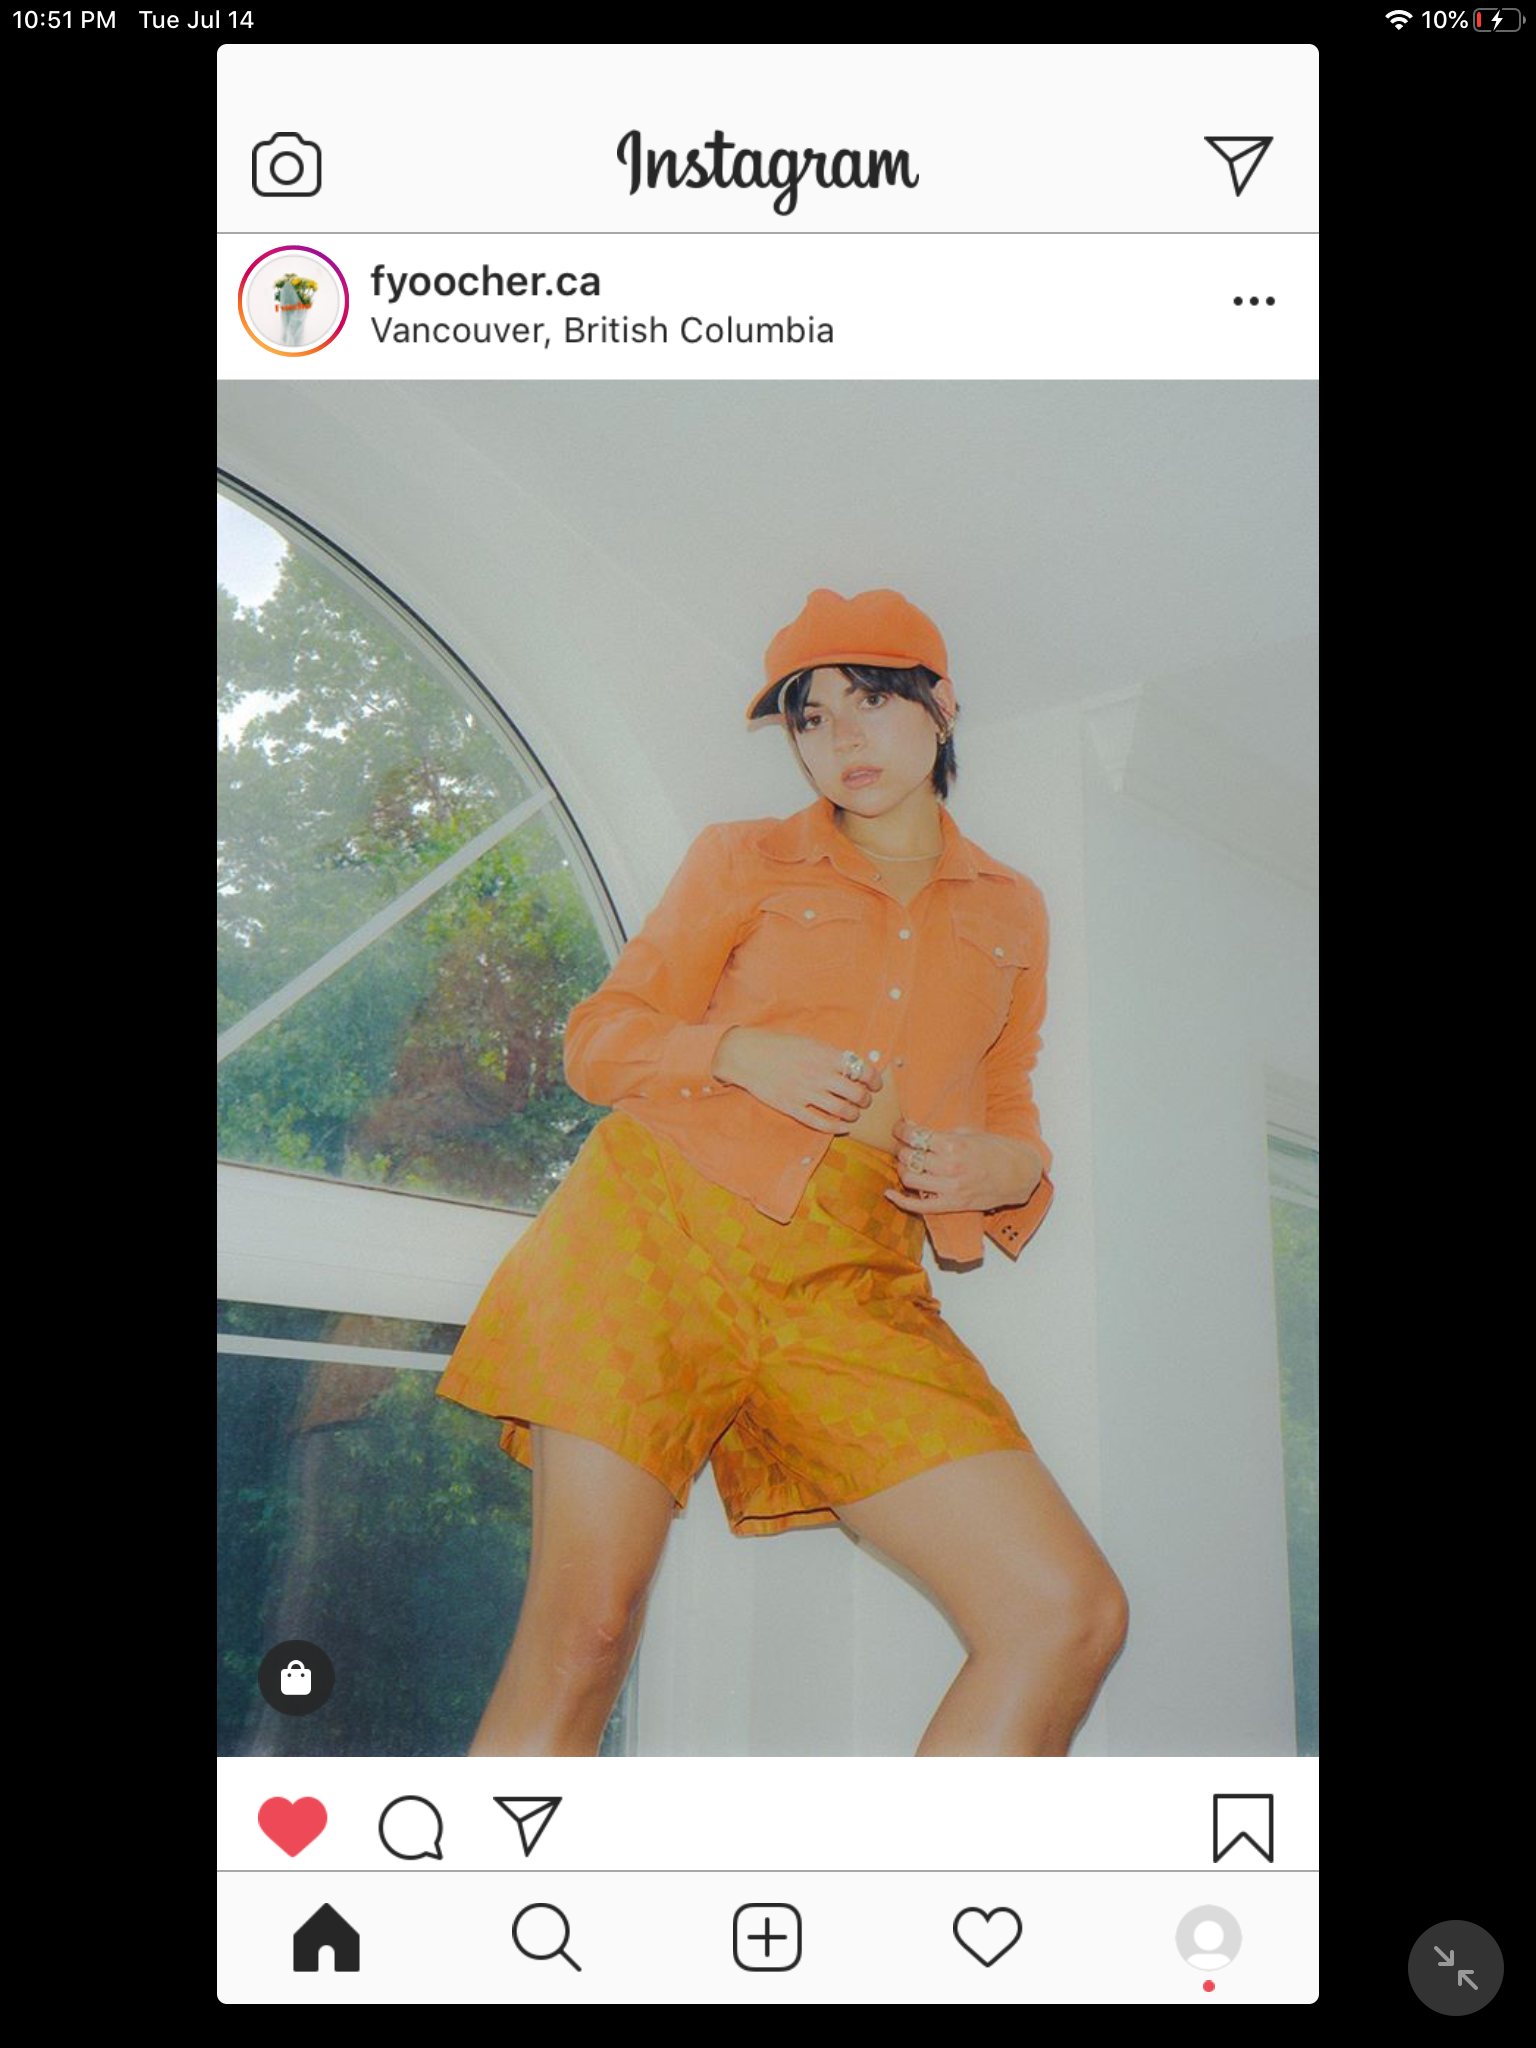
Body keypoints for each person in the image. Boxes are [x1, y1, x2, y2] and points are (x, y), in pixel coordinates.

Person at [435, 587, 1129, 1757]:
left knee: (1065, 1613)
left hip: (851, 1282)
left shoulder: (1013, 907)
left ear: (943, 706)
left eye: (872, 703)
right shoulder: (742, 859)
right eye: (812, 717)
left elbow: (1011, 1099)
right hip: (653, 1236)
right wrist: (737, 1051)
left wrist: (999, 1164)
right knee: (584, 1631)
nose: (841, 739)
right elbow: (598, 1040)